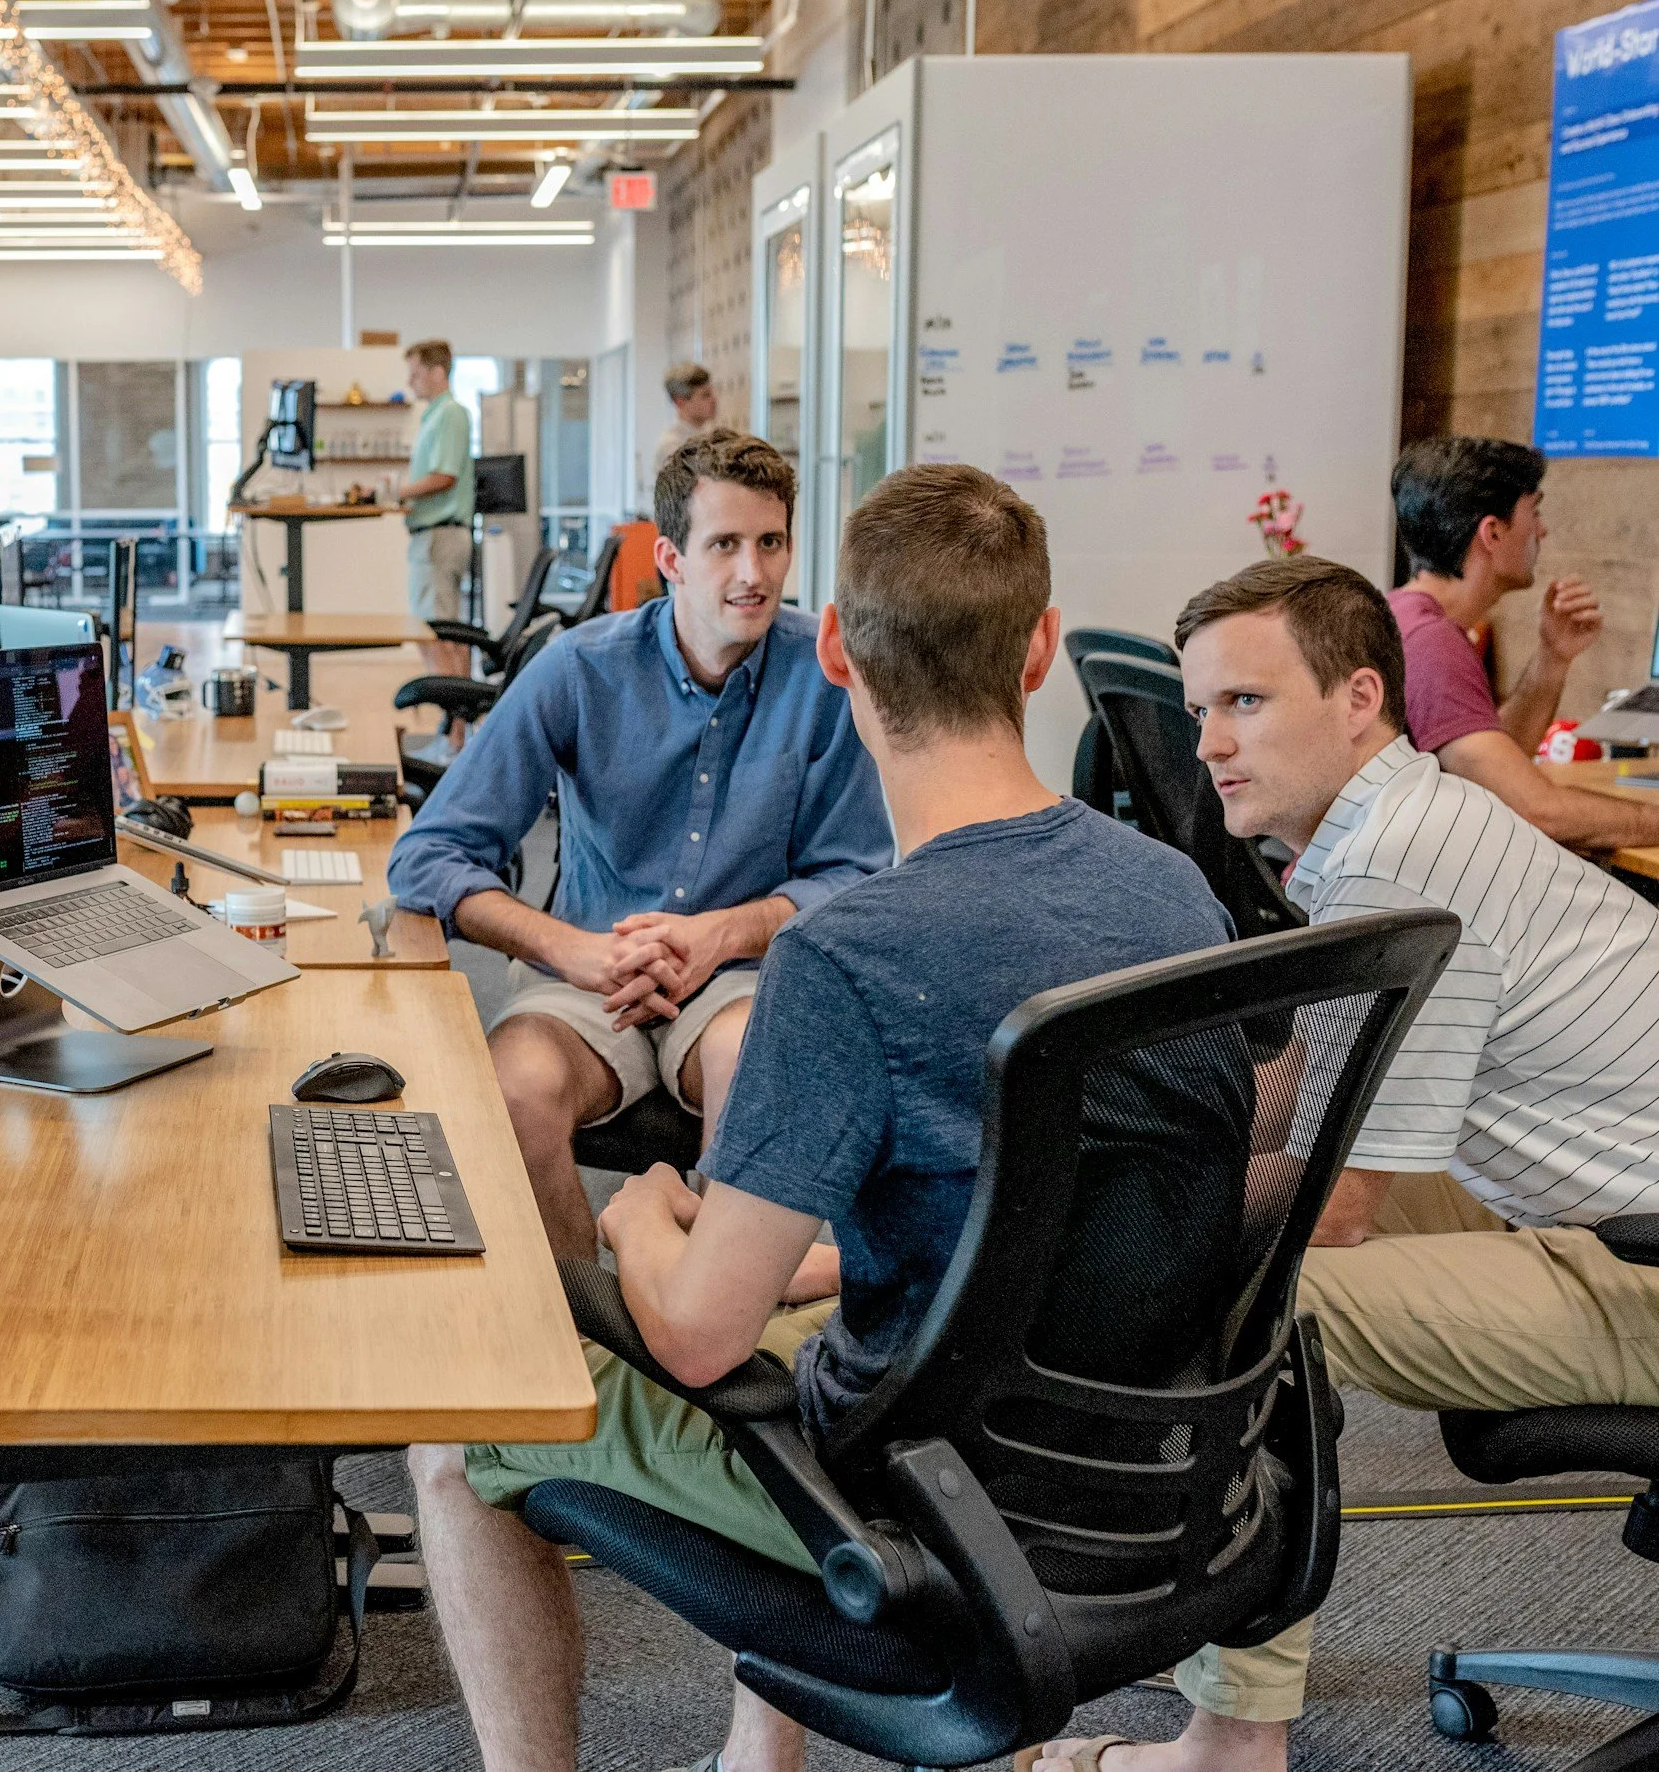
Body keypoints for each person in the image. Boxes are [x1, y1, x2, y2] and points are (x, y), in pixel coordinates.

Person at [410, 462, 1238, 1772]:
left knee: (453, 1433)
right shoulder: (1177, 892)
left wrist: (644, 1211)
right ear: (1039, 649)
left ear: (840, 649)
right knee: (800, 1301)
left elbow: (691, 1336)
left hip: (920, 1510)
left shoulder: (847, 961)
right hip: (1159, 1483)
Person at [1035, 555, 1659, 1772]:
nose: (1208, 742)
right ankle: (1211, 1592)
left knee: (1266, 1301)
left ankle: (1231, 1738)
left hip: (1636, 1263)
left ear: (1361, 697)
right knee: (1207, 1216)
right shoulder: (1389, 827)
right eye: (1200, 705)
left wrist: (1078, 1239)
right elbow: (1295, 1098)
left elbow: (1329, 1202)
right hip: (1591, 1202)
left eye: (1246, 704)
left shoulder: (1396, 862)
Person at [387, 429, 891, 1264]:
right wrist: (570, 950)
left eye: (771, 543)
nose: (753, 574)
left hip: (739, 978)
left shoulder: (827, 676)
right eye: (724, 544)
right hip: (589, 972)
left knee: (752, 1067)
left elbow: (859, 875)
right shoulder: (580, 670)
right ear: (671, 557)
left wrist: (720, 935)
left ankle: (707, 1323)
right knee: (514, 1090)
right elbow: (428, 855)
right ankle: (591, 1327)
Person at [1387, 436, 1659, 847]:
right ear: (1493, 533)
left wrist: (1553, 657)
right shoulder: (1431, 644)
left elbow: (1494, 769)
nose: (1542, 529)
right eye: (1534, 511)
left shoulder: (1407, 615)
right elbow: (1533, 808)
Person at [400, 338, 477, 675]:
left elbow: (444, 476)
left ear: (437, 372)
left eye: (415, 374)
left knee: (437, 635)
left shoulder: (450, 414)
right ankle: (455, 722)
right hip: (431, 536)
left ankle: (455, 725)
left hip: (440, 537)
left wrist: (399, 493)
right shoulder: (433, 416)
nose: (410, 381)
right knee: (437, 632)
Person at [653, 361, 719, 467]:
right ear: (680, 402)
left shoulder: (712, 435)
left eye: (712, 393)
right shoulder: (671, 447)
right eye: (705, 395)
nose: (714, 400)